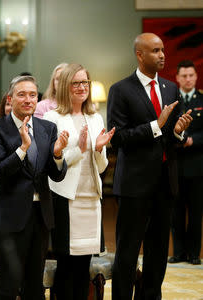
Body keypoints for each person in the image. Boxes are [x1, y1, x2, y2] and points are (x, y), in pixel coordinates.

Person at [107, 33, 192, 300]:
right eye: (155, 51)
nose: (162, 55)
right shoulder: (120, 90)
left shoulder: (169, 88)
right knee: (128, 252)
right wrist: (156, 125)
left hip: (165, 183)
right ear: (140, 55)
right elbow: (118, 138)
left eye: (163, 50)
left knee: (157, 252)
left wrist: (177, 131)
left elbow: (170, 139)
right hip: (134, 185)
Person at [0, 75, 68, 300]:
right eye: (22, 94)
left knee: (34, 283)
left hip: (41, 215)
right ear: (10, 98)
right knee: (9, 282)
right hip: (11, 216)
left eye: (32, 95)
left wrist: (58, 154)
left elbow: (56, 174)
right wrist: (22, 149)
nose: (28, 99)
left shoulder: (47, 127)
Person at [43, 64, 115, 299]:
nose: (82, 87)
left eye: (85, 82)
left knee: (84, 266)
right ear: (65, 86)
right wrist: (78, 150)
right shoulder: (52, 117)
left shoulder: (95, 117)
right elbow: (52, 165)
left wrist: (98, 149)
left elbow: (102, 166)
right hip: (66, 198)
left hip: (91, 198)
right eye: (76, 83)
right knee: (66, 265)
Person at [169, 60, 203, 265]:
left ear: (196, 76)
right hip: (176, 165)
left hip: (197, 166)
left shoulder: (202, 99)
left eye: (191, 75)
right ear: (177, 78)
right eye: (184, 76)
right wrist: (180, 139)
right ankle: (178, 252)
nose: (188, 79)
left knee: (196, 213)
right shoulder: (172, 100)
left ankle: (193, 254)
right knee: (176, 213)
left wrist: (193, 140)